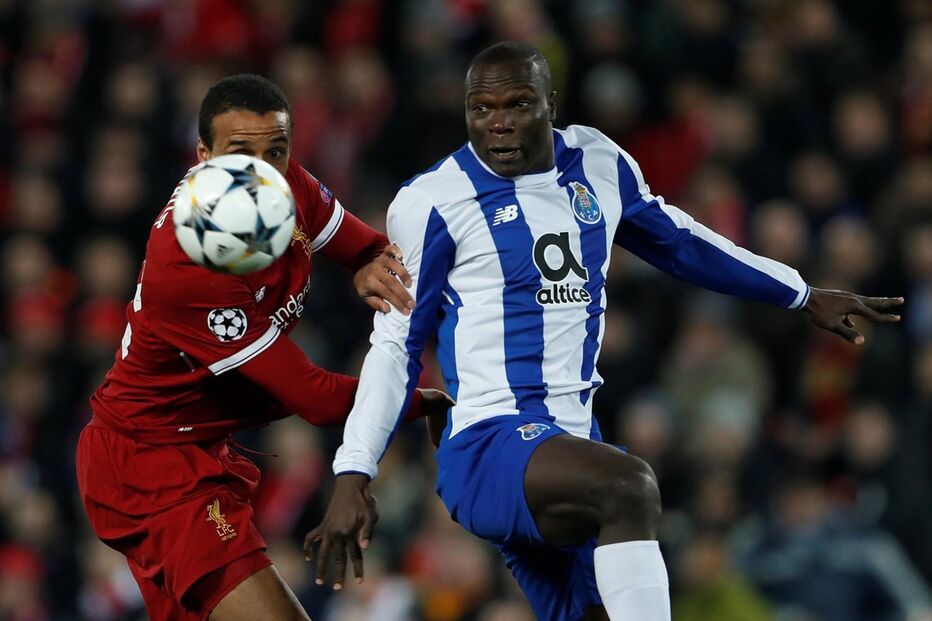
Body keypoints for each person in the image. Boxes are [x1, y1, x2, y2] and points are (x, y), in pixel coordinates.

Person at [306, 43, 904, 621]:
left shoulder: (598, 163)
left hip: (568, 447)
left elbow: (683, 243)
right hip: (488, 446)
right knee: (629, 486)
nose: (498, 124)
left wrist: (800, 292)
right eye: (481, 109)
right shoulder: (433, 201)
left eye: (517, 105)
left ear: (551, 104)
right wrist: (354, 471)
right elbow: (396, 345)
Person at [75, 74, 450, 621]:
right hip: (149, 465)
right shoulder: (188, 266)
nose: (260, 173)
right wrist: (419, 401)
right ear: (203, 157)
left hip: (200, 446)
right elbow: (315, 399)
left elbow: (366, 246)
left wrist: (367, 261)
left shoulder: (283, 181)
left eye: (275, 151)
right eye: (239, 154)